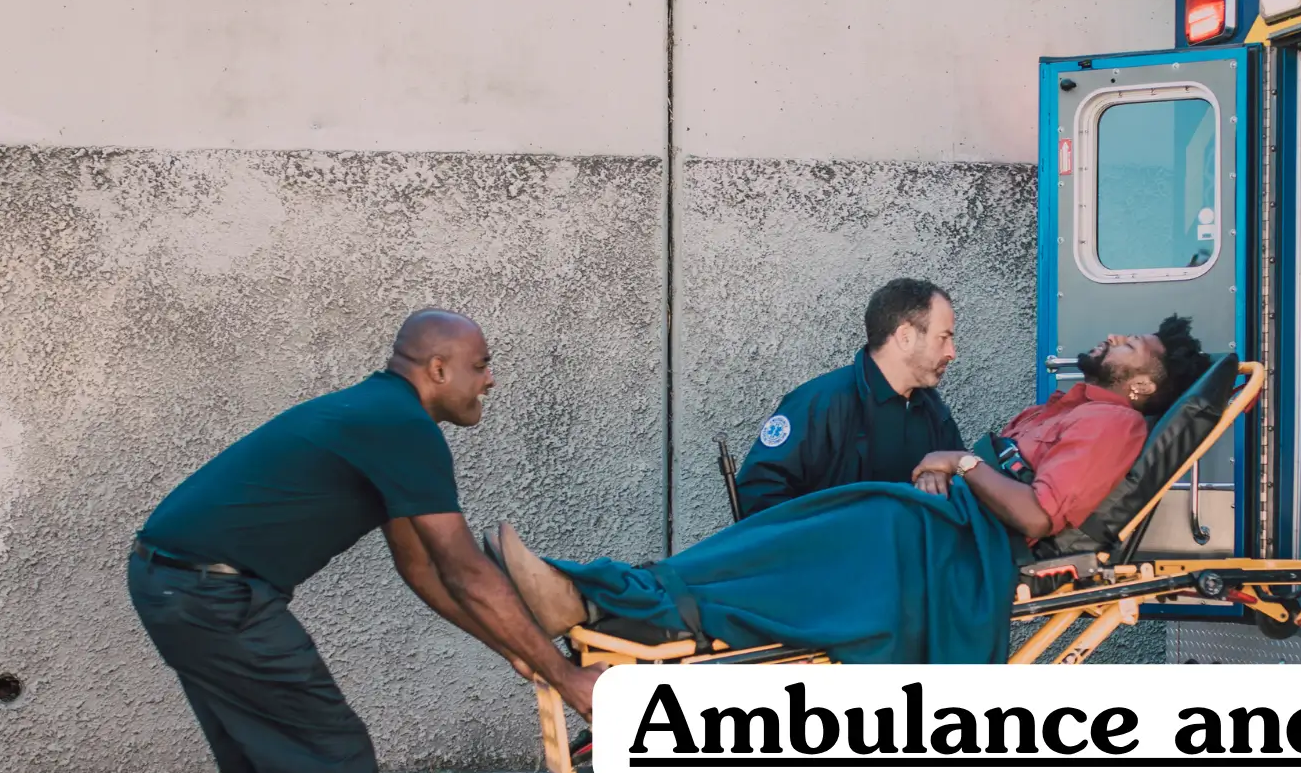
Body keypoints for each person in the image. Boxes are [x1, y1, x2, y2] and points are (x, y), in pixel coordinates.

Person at [127, 310, 598, 773]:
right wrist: (567, 679)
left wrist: (519, 655)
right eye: (481, 363)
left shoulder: (379, 417)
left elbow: (422, 569)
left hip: (180, 586)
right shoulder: (401, 425)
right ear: (436, 369)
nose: (490, 378)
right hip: (218, 597)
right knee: (337, 765)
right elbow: (465, 567)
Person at [489, 317, 1212, 667]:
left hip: (959, 547)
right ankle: (590, 596)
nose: (1117, 336)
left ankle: (597, 604)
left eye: (1133, 346)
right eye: (945, 334)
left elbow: (1031, 511)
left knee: (785, 557)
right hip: (930, 522)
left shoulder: (1112, 423)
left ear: (1143, 386)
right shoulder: (1072, 406)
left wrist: (960, 463)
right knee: (768, 547)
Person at [732, 278, 964, 518]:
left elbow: (966, 486)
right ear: (905, 337)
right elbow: (758, 493)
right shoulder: (819, 405)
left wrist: (945, 473)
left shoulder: (932, 409)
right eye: (943, 338)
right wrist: (831, 539)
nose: (951, 353)